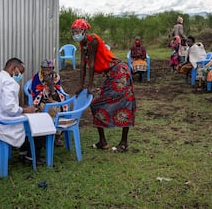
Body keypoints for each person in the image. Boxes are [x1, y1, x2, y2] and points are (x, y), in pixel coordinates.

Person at [71, 18, 136, 152]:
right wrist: (81, 85)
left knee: (125, 103)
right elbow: (83, 64)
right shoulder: (83, 44)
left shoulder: (93, 39)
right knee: (95, 104)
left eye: (76, 30)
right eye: (73, 31)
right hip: (111, 74)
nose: (74, 33)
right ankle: (103, 142)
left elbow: (92, 64)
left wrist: (89, 85)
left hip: (118, 71)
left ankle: (123, 143)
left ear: (84, 30)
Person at [0, 58, 44, 165]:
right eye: (20, 72)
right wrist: (27, 110)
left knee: (25, 119)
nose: (20, 76)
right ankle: (31, 157)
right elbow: (10, 109)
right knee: (39, 123)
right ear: (14, 69)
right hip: (1, 124)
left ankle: (24, 152)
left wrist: (21, 110)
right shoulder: (8, 82)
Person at [31, 59, 68, 147]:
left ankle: (57, 135)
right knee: (51, 109)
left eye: (49, 69)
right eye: (44, 69)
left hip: (53, 100)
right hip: (41, 101)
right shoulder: (37, 77)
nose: (46, 71)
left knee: (58, 108)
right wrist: (44, 94)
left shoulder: (56, 77)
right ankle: (49, 135)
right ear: (41, 68)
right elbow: (35, 92)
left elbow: (56, 95)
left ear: (52, 69)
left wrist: (51, 84)